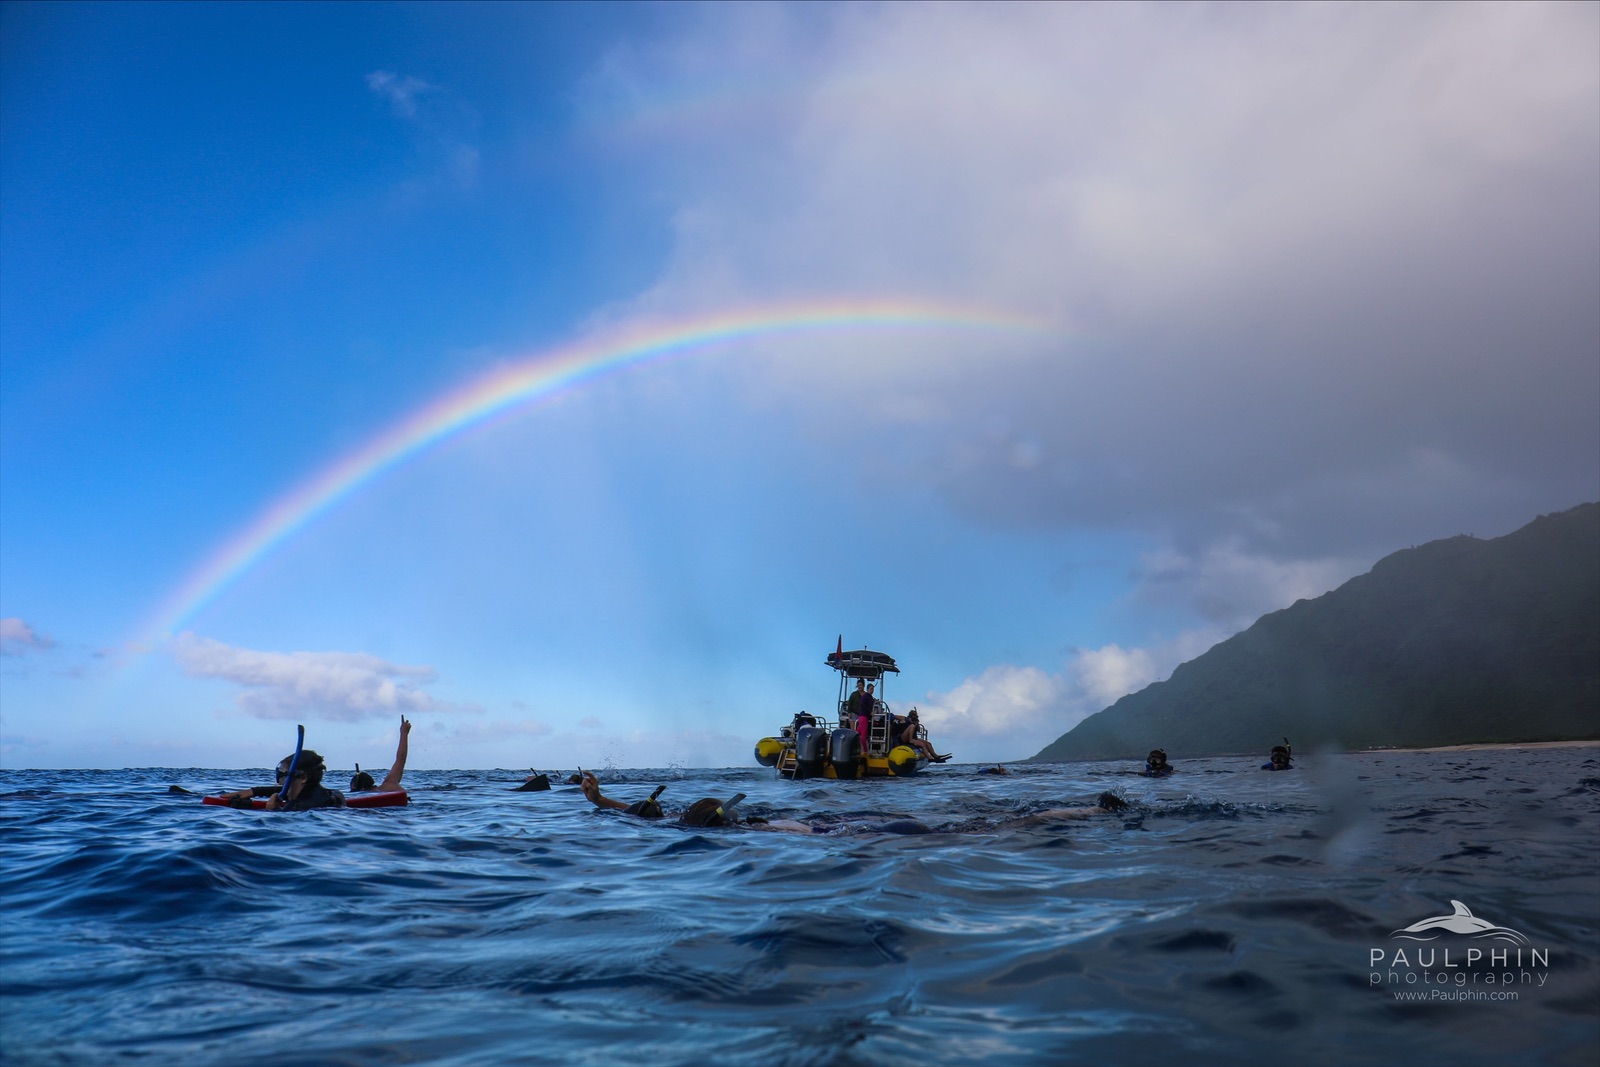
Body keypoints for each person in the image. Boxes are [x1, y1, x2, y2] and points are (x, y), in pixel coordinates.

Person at [577, 771, 739, 825]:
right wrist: (598, 799)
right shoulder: (681, 819)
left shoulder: (680, 821)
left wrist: (599, 800)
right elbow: (638, 813)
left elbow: (635, 814)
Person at [219, 750, 346, 810]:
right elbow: (292, 790)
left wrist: (272, 811)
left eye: (282, 775)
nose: (279, 781)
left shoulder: (297, 808)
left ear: (303, 778)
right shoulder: (334, 795)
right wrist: (254, 791)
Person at [349, 716, 410, 792]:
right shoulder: (390, 783)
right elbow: (401, 759)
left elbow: (401, 758)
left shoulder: (389, 785)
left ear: (361, 789)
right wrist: (404, 733)